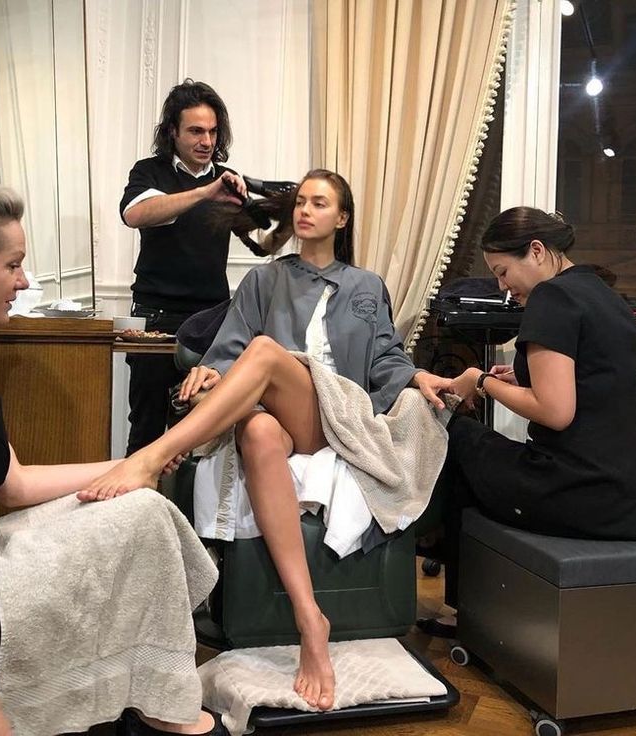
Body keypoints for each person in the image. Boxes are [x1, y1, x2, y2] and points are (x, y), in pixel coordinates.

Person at [82, 169, 452, 712]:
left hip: (338, 414)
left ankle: (151, 458)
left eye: (319, 204)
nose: (304, 211)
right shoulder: (265, 281)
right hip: (279, 415)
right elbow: (229, 349)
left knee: (265, 353)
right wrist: (211, 372)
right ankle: (310, 618)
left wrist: (417, 377)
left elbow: (387, 358)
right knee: (254, 429)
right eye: (300, 202)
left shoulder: (366, 286)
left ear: (341, 218)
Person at [0, 184, 227, 736]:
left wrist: (139, 463)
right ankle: (170, 713)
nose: (24, 281)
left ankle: (159, 702)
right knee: (144, 518)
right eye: (13, 265)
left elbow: (16, 485)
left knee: (139, 502)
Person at [416, 206, 636, 638]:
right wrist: (517, 376)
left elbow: (555, 411)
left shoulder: (553, 297)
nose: (502, 287)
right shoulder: (605, 295)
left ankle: (461, 606)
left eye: (503, 271)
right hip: (629, 497)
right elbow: (590, 382)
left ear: (536, 251)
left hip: (575, 491)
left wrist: (479, 382)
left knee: (452, 431)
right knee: (480, 450)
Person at [120, 79, 252, 456]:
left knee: (199, 434)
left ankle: (183, 515)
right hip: (155, 319)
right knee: (146, 427)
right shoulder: (149, 172)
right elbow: (135, 214)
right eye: (195, 131)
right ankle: (136, 514)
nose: (206, 141)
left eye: (212, 131)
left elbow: (260, 240)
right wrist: (204, 193)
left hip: (211, 321)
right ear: (173, 132)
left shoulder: (229, 181)